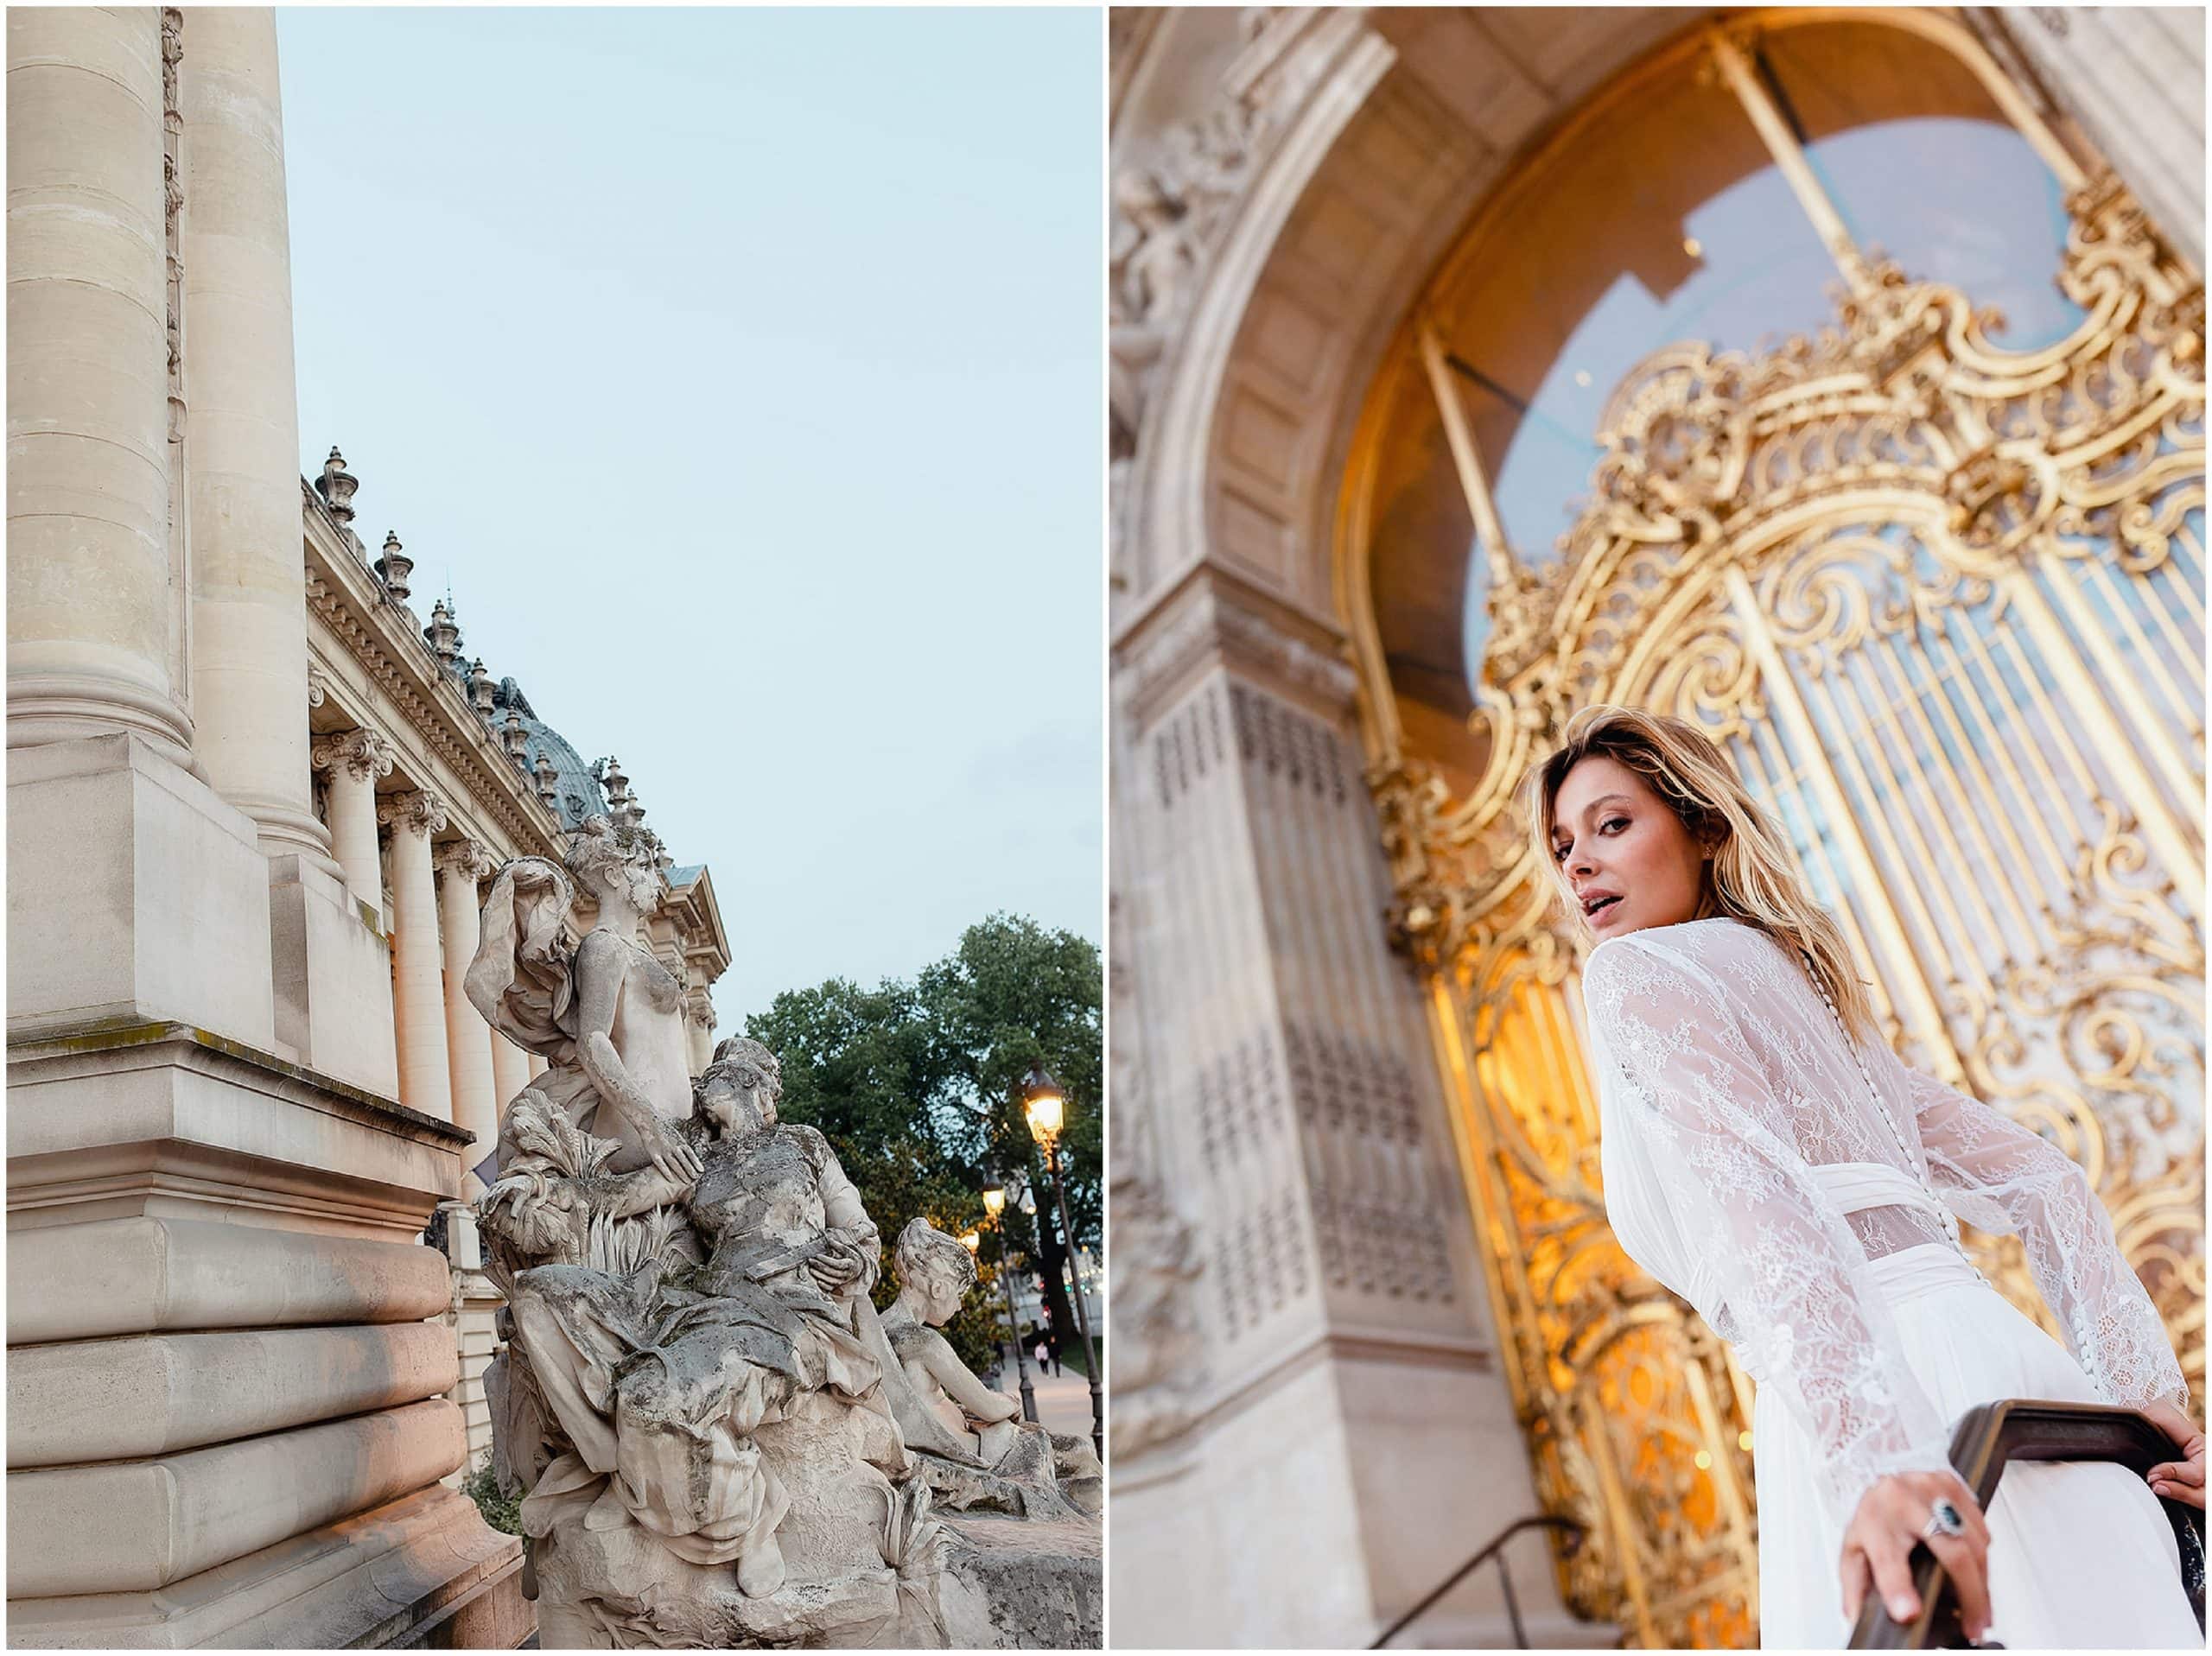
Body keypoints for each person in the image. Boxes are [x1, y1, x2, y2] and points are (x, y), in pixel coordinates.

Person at [1529, 705, 2202, 1649]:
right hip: (2007, 1372)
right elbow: (2046, 1182)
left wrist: (1877, 1460)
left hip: (1885, 1415)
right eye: (1562, 844)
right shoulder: (1814, 1009)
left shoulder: (1634, 976)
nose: (1578, 864)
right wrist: (2150, 1408)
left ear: (1704, 827)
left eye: (1612, 823)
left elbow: (1766, 1209)